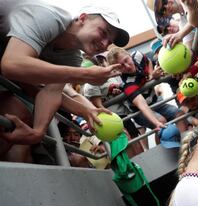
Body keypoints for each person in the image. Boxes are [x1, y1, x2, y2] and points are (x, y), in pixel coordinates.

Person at [0, 2, 129, 159]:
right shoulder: (49, 17)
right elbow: (11, 64)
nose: (104, 44)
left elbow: (50, 92)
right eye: (103, 32)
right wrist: (84, 74)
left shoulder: (73, 58)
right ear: (82, 18)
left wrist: (38, 131)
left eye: (109, 42)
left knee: (18, 114)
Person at [107, 47, 181, 136]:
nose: (127, 66)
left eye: (126, 60)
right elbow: (142, 105)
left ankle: (185, 141)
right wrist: (156, 122)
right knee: (161, 122)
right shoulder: (128, 83)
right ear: (117, 70)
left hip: (154, 102)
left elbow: (148, 61)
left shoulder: (138, 55)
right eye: (121, 66)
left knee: (179, 113)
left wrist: (151, 75)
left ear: (129, 54)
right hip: (140, 112)